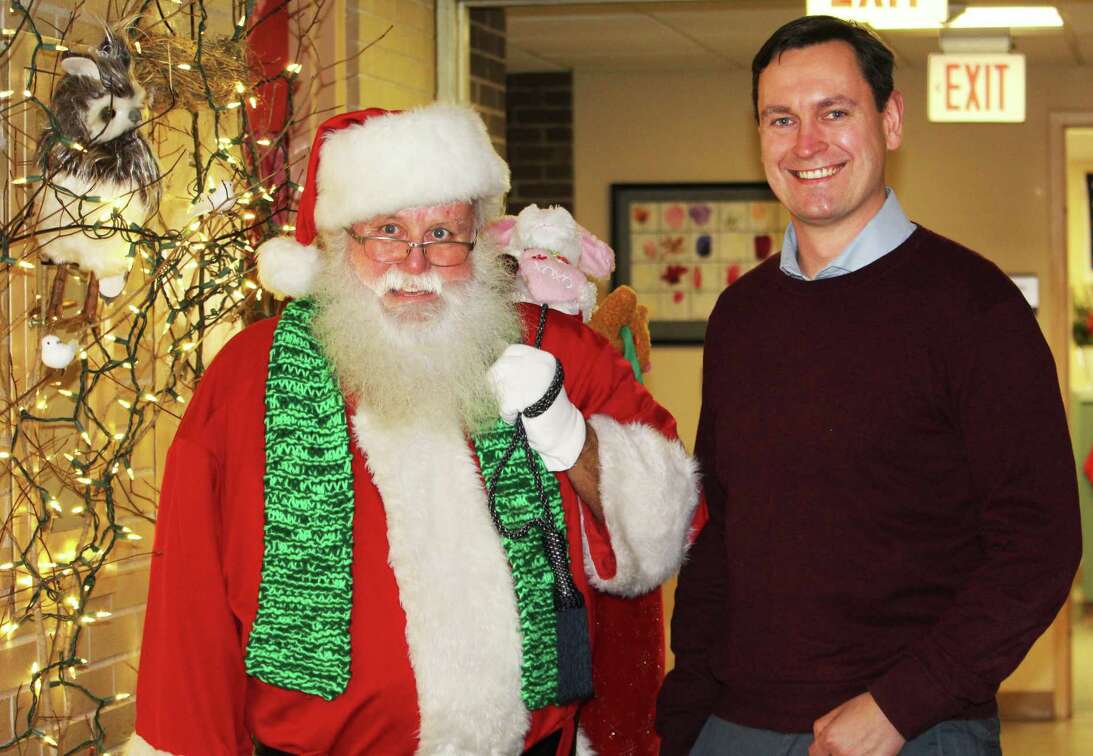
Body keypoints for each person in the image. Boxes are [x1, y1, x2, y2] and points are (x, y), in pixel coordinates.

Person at [129, 104, 700, 755]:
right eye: (388, 231)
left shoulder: (560, 351)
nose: (417, 261)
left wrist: (574, 439)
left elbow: (672, 524)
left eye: (444, 234)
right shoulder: (247, 377)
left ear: (480, 242)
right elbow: (190, 607)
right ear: (340, 243)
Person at [656, 16, 1081, 756]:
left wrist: (898, 706)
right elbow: (720, 531)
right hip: (735, 724)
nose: (806, 143)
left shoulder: (974, 308)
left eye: (834, 112)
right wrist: (685, 717)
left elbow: (1039, 544)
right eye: (781, 119)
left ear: (889, 121)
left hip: (913, 728)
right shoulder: (741, 316)